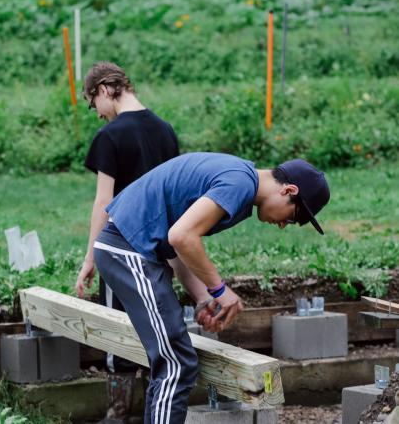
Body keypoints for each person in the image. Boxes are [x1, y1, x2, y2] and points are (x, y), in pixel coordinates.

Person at [93, 152, 330, 424]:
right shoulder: (239, 184)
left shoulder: (239, 178)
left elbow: (175, 242)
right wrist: (219, 290)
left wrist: (203, 297)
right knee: (176, 364)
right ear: (289, 190)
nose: (282, 226)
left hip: (132, 248)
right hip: (127, 250)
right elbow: (182, 237)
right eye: (291, 217)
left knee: (171, 360)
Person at [75, 61, 179, 423]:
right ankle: (156, 412)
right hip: (158, 249)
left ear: (105, 89)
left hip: (120, 249)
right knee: (158, 333)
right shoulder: (165, 131)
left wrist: (90, 257)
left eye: (93, 104)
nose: (97, 114)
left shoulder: (111, 136)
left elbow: (104, 202)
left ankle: (117, 415)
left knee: (116, 333)